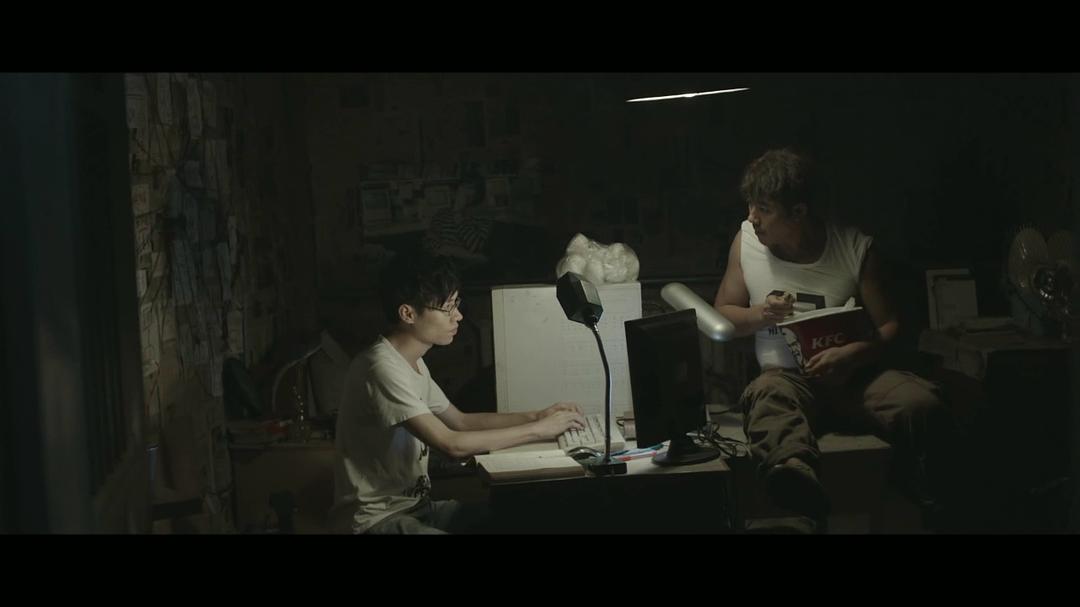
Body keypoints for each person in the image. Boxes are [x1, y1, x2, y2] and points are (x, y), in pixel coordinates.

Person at [713, 148, 948, 530]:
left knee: (920, 403)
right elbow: (723, 313)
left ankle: (932, 500)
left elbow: (890, 326)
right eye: (750, 206)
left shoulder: (854, 248)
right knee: (766, 394)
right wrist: (762, 314)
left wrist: (852, 355)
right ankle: (795, 480)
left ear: (798, 212)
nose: (752, 217)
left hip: (854, 378)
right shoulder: (747, 242)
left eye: (764, 209)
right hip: (786, 379)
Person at [330, 252, 585, 534]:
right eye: (448, 308)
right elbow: (451, 444)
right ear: (408, 314)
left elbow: (461, 421)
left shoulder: (411, 361)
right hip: (377, 520)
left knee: (524, 518)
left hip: (418, 508)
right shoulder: (381, 367)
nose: (458, 316)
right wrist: (539, 430)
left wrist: (537, 416)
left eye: (456, 304)